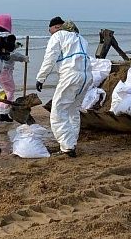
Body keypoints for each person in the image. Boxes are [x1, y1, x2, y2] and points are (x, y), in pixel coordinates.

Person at [35, 17, 93, 157]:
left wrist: (40, 78)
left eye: (50, 31)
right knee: (73, 110)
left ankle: (67, 147)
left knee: (58, 111)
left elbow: (50, 58)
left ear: (55, 28)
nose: (50, 34)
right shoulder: (81, 39)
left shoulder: (58, 36)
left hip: (70, 75)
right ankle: (71, 143)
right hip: (86, 77)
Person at [0, 14, 29, 123]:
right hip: (5, 71)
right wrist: (23, 58)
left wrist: (16, 45)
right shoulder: (4, 38)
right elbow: (10, 55)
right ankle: (3, 113)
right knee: (9, 91)